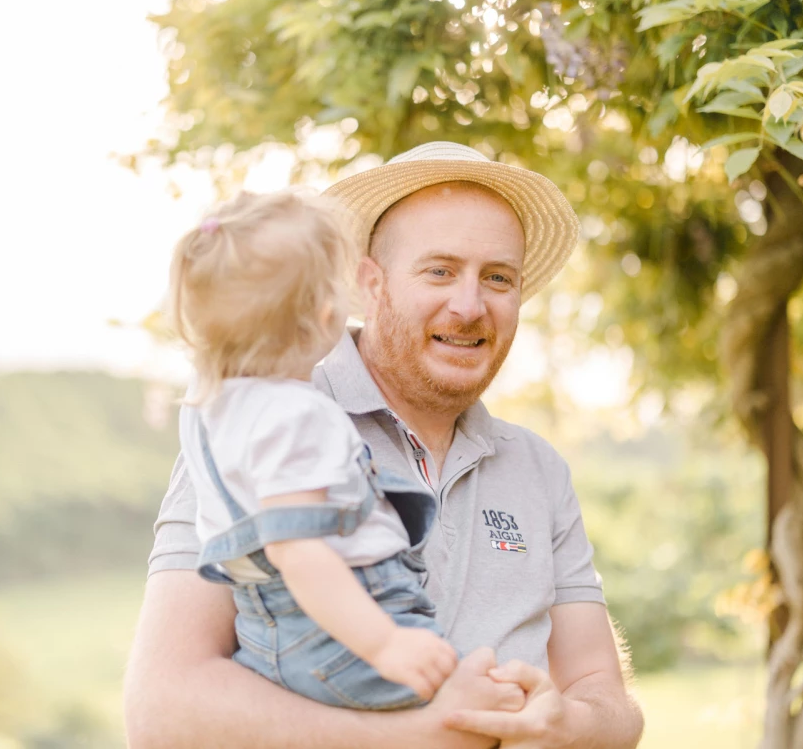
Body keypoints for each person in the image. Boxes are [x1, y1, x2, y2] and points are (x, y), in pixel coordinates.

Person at [126, 142, 644, 749]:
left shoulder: (539, 469)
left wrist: (568, 724)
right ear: (369, 283)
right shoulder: (263, 418)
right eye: (440, 271)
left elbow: (606, 697)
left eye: (498, 278)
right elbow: (162, 712)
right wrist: (420, 736)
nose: (470, 305)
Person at [165, 189, 457, 708]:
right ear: (326, 315)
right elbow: (297, 550)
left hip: (265, 628)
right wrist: (385, 642)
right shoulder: (297, 413)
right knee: (465, 700)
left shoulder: (208, 409)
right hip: (348, 621)